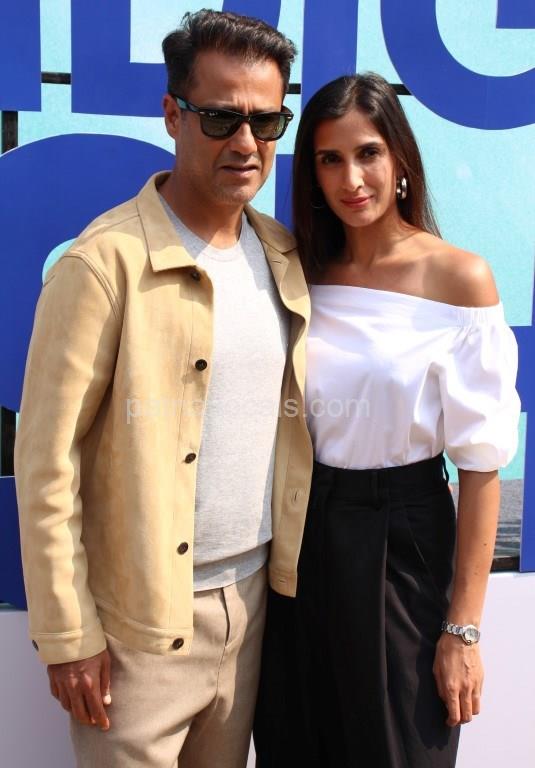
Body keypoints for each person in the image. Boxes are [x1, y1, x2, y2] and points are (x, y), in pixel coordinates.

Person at [14, 10, 313, 768]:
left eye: (266, 121)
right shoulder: (103, 264)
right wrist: (68, 634)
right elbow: (46, 462)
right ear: (173, 115)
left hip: (253, 610)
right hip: (136, 635)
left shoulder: (281, 255)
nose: (245, 142)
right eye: (220, 118)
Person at [253, 72, 520, 768]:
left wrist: (463, 631)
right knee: (296, 746)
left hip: (404, 540)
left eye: (367, 153)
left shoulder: (459, 278)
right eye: (329, 159)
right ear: (311, 173)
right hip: (297, 537)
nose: (352, 179)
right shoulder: (298, 273)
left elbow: (481, 467)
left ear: (399, 157)